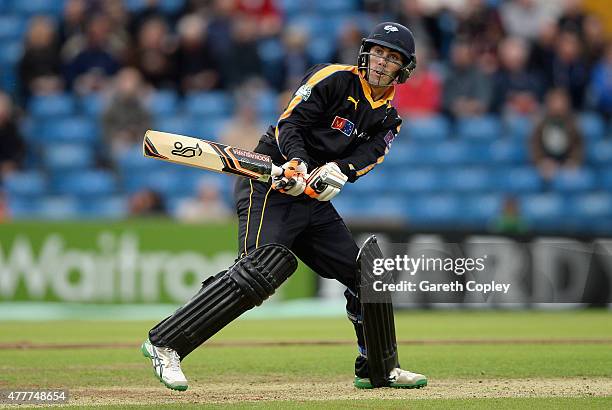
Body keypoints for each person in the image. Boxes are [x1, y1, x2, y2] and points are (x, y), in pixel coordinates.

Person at [141, 22, 427, 391]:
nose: (381, 61)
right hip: (270, 184)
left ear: (403, 68)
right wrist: (299, 163)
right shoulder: (332, 78)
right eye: (378, 52)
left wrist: (339, 172)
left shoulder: (389, 118)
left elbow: (369, 154)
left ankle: (380, 366)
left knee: (365, 275)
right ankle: (165, 342)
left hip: (310, 200)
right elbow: (289, 123)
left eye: (392, 57)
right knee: (261, 270)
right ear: (366, 52)